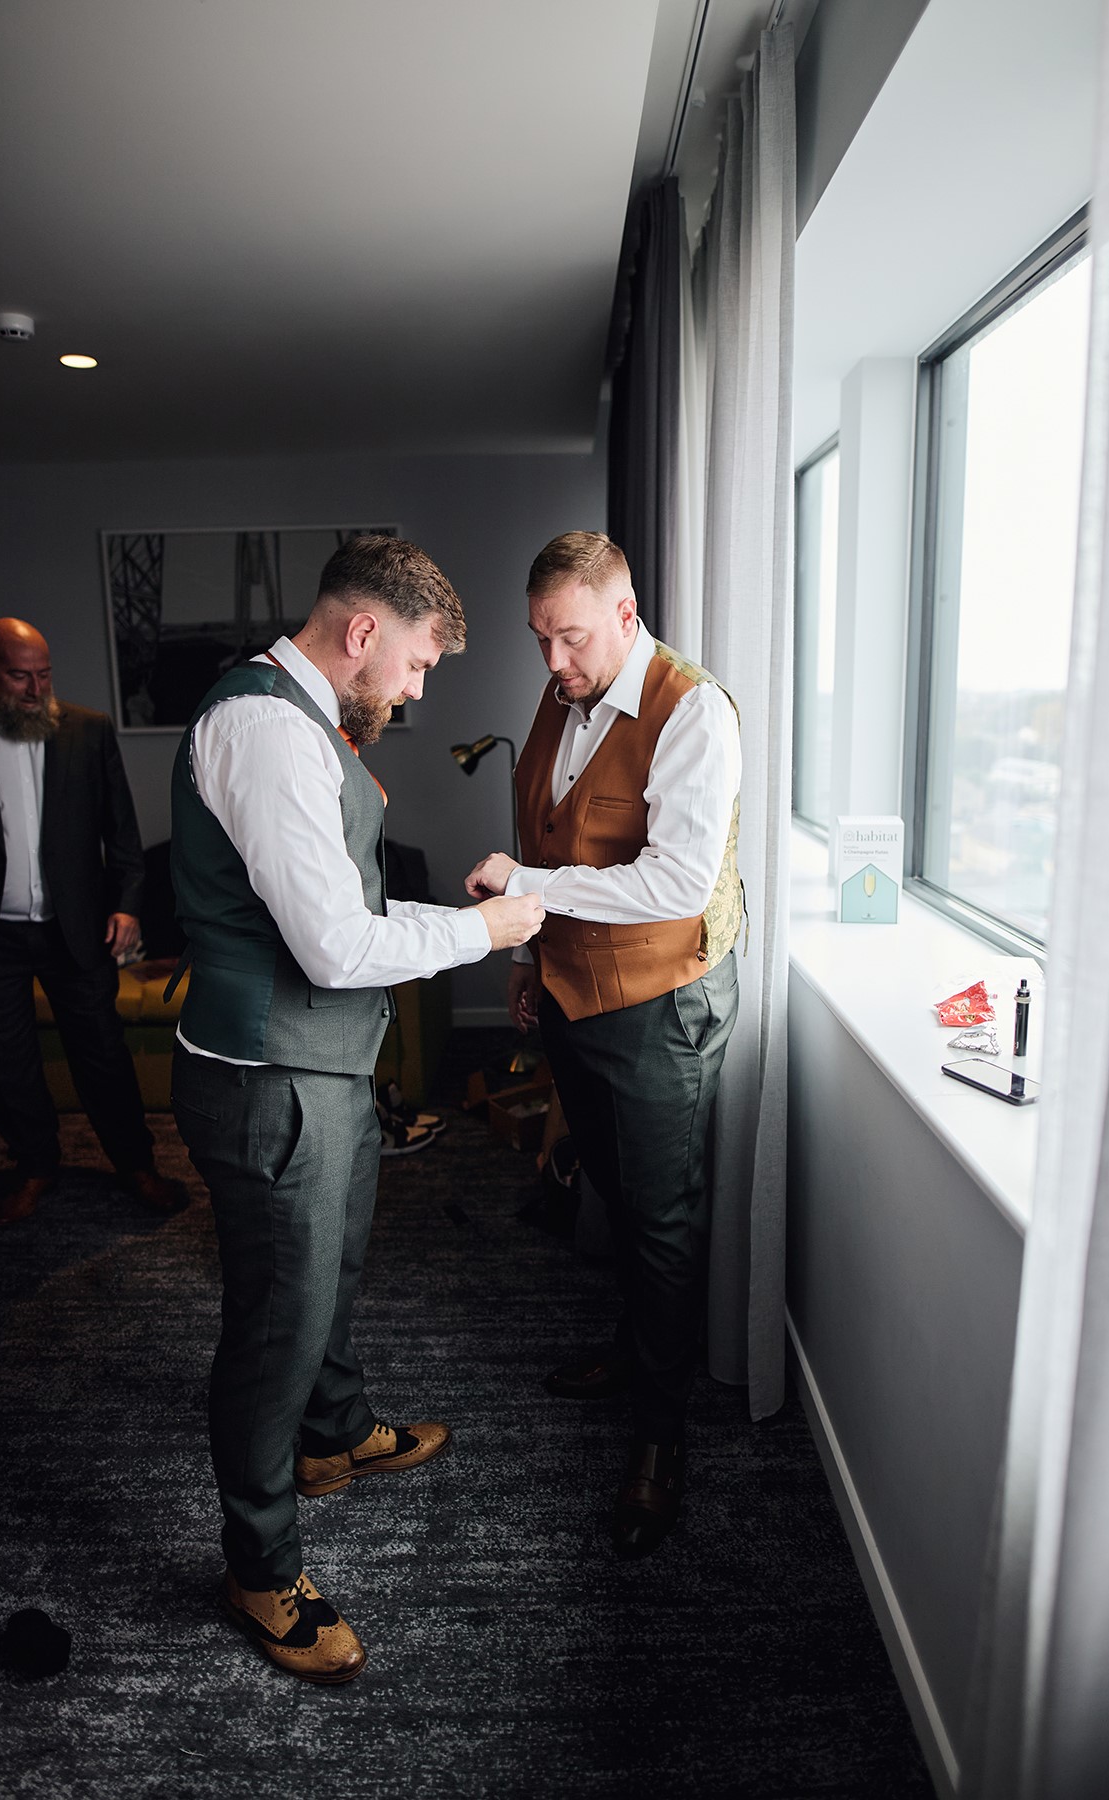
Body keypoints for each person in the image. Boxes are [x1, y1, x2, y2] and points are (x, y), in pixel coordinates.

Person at [169, 534, 543, 1685]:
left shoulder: (309, 722)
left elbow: (346, 908)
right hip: (267, 1076)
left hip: (323, 1064)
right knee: (275, 1320)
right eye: (420, 663)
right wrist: (481, 932)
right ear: (364, 632)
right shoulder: (268, 728)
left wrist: (459, 921)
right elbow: (335, 947)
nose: (419, 690)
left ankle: (333, 1433)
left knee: (331, 1271)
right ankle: (260, 1566)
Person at [465, 531, 743, 1561]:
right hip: (570, 994)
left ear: (627, 614)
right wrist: (526, 954)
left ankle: (662, 1441)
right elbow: (544, 830)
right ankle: (634, 1350)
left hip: (659, 1006)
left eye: (571, 638)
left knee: (663, 1220)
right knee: (617, 1196)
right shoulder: (562, 694)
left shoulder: (694, 712)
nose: (553, 662)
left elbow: (675, 882)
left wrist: (527, 891)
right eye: (540, 638)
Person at [0, 618, 182, 1227]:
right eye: (19, 676)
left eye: (43, 675)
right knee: (7, 1064)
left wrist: (126, 904)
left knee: (103, 1056)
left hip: (74, 929)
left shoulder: (87, 729)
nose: (36, 689)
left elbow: (121, 832)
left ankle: (137, 1166)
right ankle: (34, 1167)